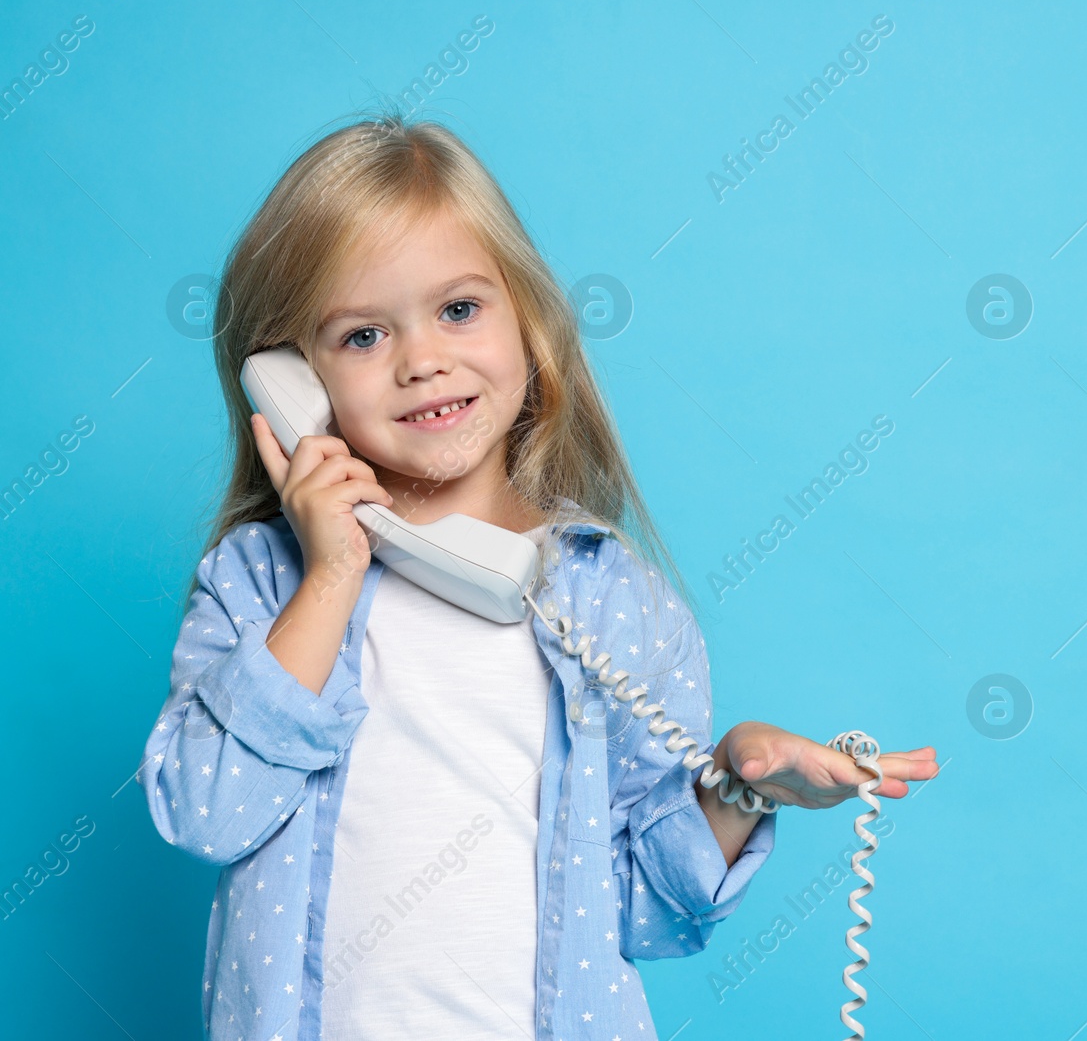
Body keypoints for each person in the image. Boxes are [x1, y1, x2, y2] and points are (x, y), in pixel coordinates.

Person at [138, 112, 940, 1041]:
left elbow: (646, 909)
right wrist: (328, 577)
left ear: (527, 318)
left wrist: (737, 786)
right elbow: (203, 811)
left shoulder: (615, 600)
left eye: (459, 309)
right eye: (362, 335)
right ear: (288, 378)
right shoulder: (259, 583)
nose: (422, 359)